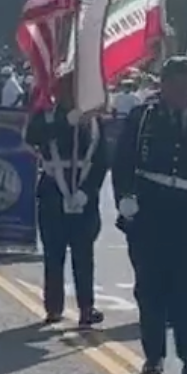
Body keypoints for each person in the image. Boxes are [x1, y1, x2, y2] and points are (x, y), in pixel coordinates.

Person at [112, 55, 187, 374]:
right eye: (175, 82)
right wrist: (124, 198)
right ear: (163, 84)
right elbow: (123, 160)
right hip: (150, 217)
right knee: (150, 289)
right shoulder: (144, 118)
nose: (182, 89)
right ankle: (153, 355)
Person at [30, 73, 109, 326]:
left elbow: (102, 158)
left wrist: (88, 190)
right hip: (54, 191)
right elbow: (32, 136)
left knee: (84, 255)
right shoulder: (47, 116)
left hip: (84, 194)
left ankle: (87, 307)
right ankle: (53, 307)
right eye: (67, 89)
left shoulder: (94, 122)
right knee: (54, 255)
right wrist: (64, 121)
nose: (72, 94)